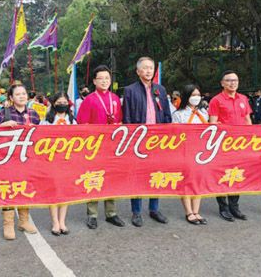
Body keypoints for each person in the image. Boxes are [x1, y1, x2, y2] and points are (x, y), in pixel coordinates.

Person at [122, 57, 172, 227]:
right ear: (138, 71)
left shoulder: (160, 90)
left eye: (151, 68)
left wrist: (167, 136)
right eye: (144, 68)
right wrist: (130, 139)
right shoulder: (130, 90)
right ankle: (136, 211)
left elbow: (166, 115)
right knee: (137, 176)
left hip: (158, 141)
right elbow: (127, 117)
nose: (148, 71)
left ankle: (154, 209)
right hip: (138, 140)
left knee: (156, 174)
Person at [77, 65, 126, 230]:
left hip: (112, 146)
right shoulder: (89, 99)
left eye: (107, 78)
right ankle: (92, 214)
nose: (105, 81)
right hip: (95, 146)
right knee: (94, 178)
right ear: (94, 81)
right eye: (101, 78)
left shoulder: (115, 98)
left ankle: (111, 213)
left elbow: (120, 121)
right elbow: (82, 124)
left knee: (111, 177)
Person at [0, 83, 40, 240]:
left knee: (25, 187)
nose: (22, 96)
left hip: (27, 158)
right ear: (11, 98)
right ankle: (8, 224)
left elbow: (41, 135)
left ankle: (24, 221)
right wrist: (1, 126)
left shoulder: (34, 114)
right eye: (18, 94)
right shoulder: (2, 113)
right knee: (8, 189)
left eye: (24, 93)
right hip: (7, 158)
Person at [208, 70, 252, 222]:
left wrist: (249, 139)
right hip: (223, 145)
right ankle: (223, 207)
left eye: (235, 80)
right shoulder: (216, 100)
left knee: (237, 174)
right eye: (229, 80)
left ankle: (235, 206)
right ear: (222, 83)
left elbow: (247, 120)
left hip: (240, 144)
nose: (232, 83)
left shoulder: (244, 99)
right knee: (222, 175)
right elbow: (212, 123)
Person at [172, 84, 208, 225]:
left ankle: (197, 211)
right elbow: (174, 136)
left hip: (202, 152)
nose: (196, 98)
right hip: (185, 151)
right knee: (186, 181)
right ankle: (188, 211)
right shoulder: (178, 114)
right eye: (193, 95)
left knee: (199, 180)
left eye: (198, 95)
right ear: (186, 97)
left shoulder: (204, 113)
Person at [41, 92, 76, 236]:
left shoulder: (72, 119)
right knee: (54, 190)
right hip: (52, 159)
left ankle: (62, 221)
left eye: (64, 101)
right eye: (59, 101)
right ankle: (55, 221)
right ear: (54, 103)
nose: (62, 104)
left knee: (65, 191)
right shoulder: (47, 120)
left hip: (68, 160)